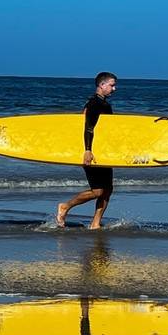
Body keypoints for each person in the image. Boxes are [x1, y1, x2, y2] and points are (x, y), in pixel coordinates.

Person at [56, 72, 117, 229]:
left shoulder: (105, 104)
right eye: (111, 85)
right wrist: (87, 150)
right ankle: (65, 206)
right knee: (98, 191)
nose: (114, 88)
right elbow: (88, 127)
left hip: (102, 151)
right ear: (101, 85)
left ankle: (95, 223)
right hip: (91, 150)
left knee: (108, 190)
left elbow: (106, 129)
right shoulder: (94, 104)